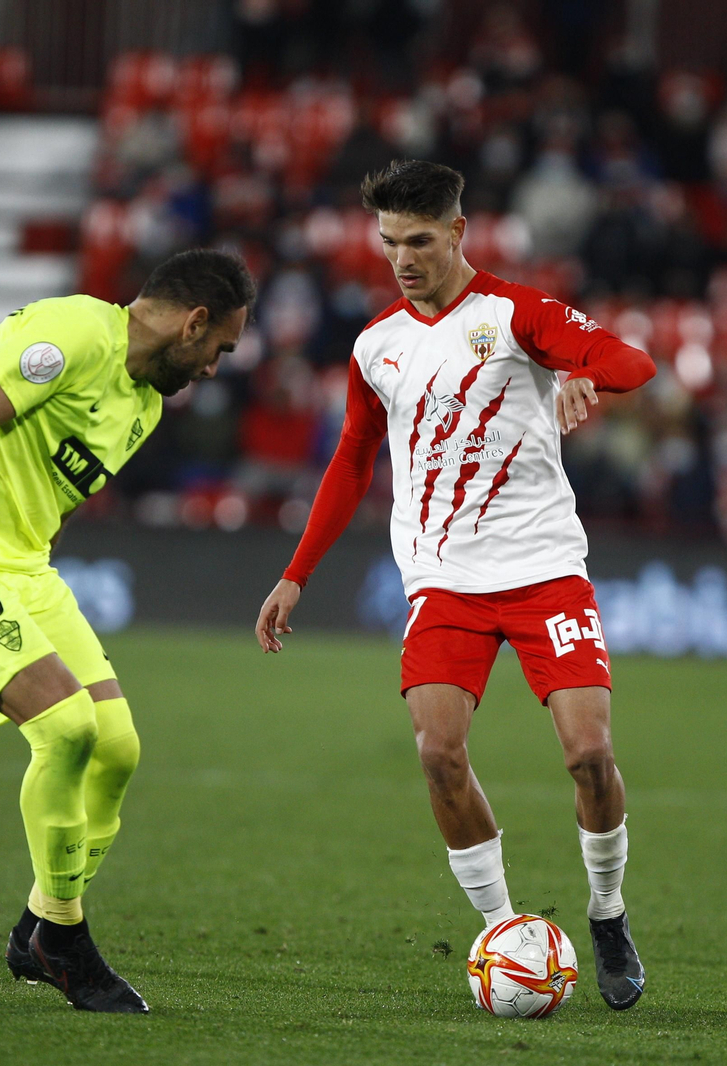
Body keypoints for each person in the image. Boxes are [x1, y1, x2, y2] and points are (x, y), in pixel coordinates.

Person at [255, 160, 654, 1009]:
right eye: (390, 241)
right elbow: (352, 461)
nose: (403, 257)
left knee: (589, 757)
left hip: (545, 571)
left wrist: (585, 374)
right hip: (444, 581)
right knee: (437, 754)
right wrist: (296, 574)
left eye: (420, 240)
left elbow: (633, 362)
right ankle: (504, 931)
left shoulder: (518, 314)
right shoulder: (376, 347)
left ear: (459, 233)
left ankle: (608, 911)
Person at [0, 248, 253, 1013]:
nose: (214, 368)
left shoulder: (141, 404)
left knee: (117, 748)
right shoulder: (72, 331)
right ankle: (63, 939)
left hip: (21, 571)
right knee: (67, 727)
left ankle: (39, 924)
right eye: (220, 348)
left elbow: (60, 501)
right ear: (193, 322)